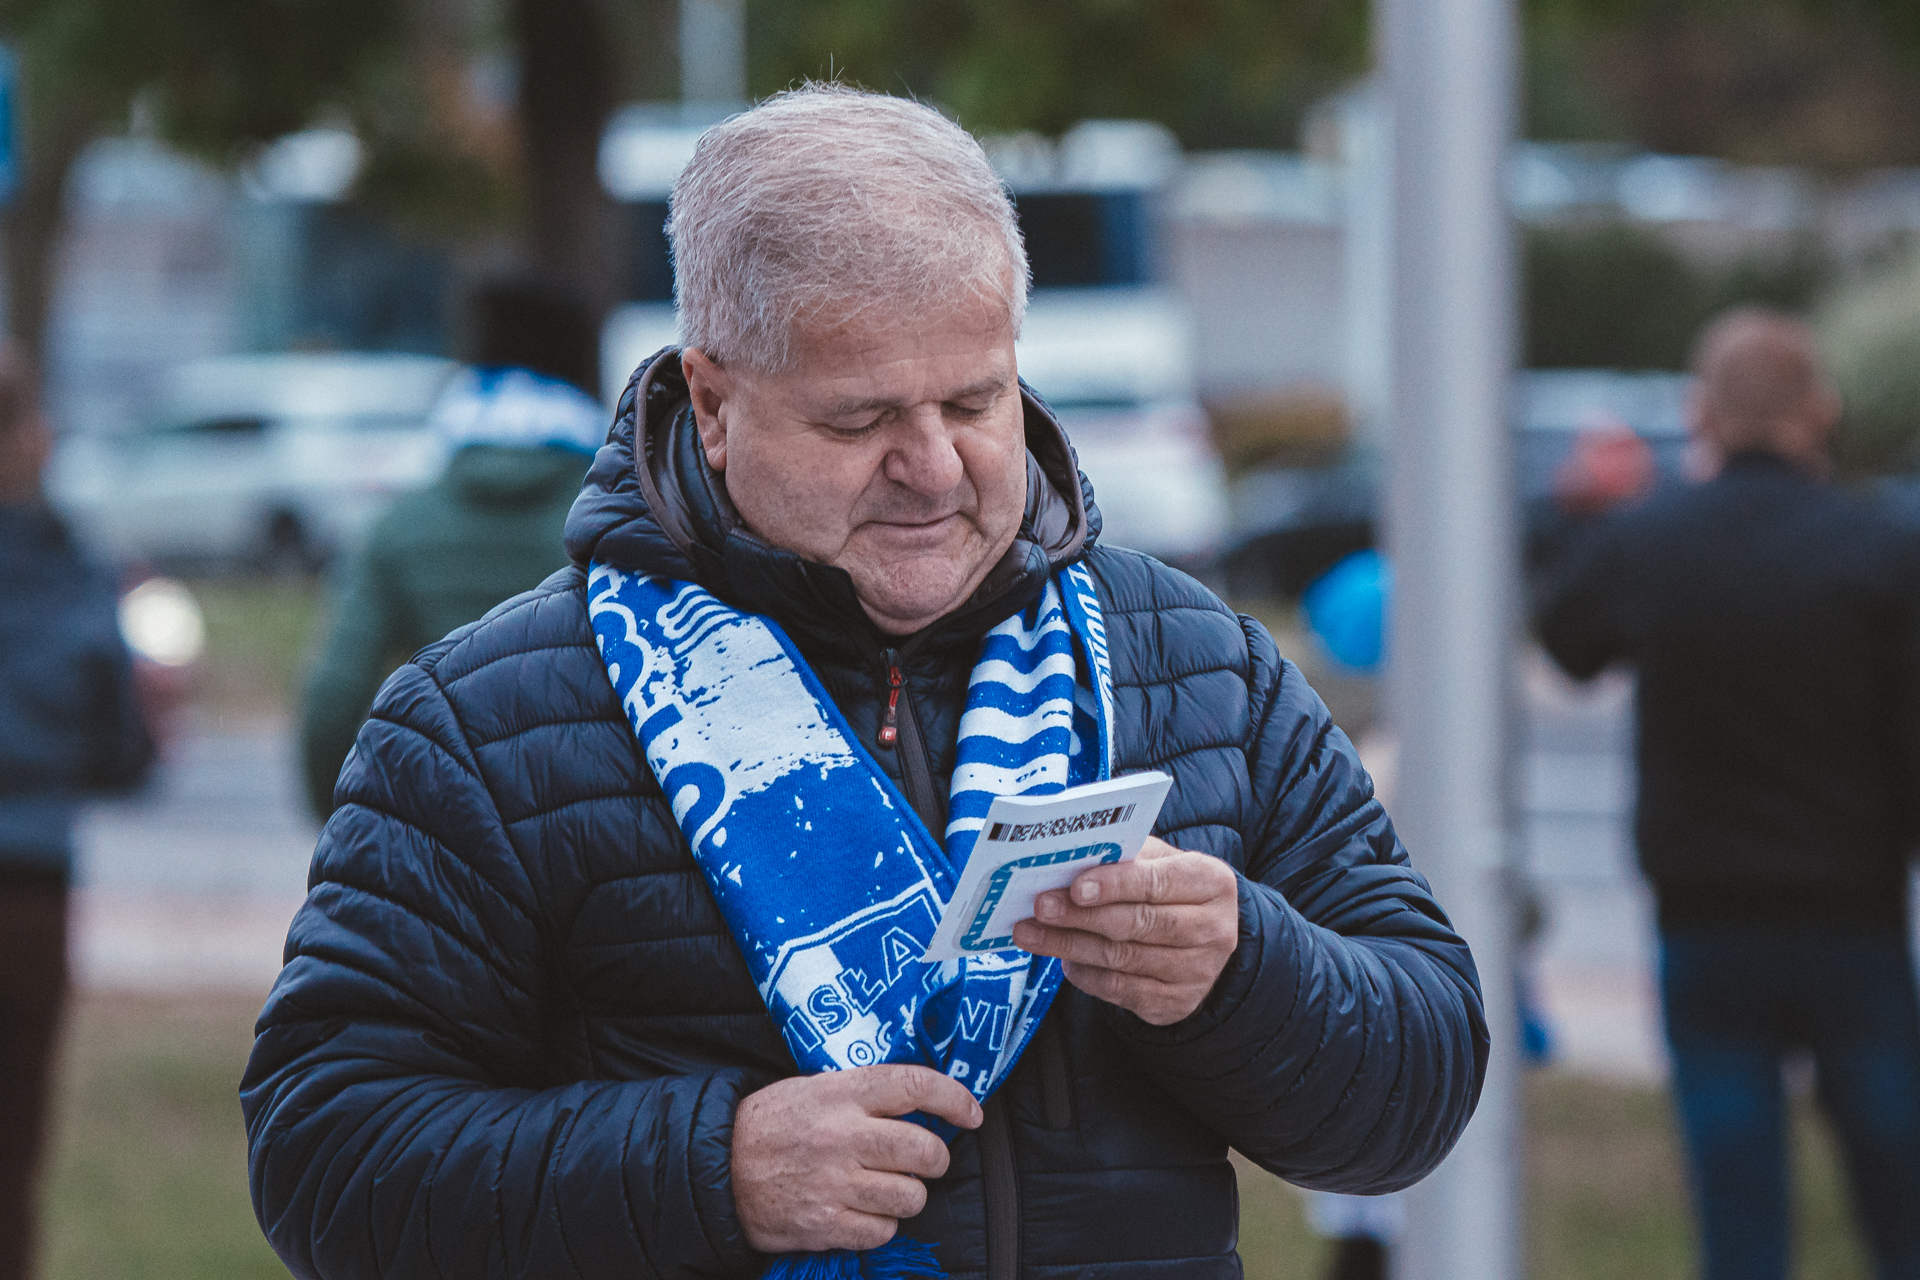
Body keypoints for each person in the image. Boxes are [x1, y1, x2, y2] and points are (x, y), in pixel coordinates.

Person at [242, 86, 1488, 1280]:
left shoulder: (1199, 662)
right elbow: (325, 1159)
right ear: (712, 401)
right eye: (860, 420)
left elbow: (1423, 1085)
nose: (934, 467)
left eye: (978, 400)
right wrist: (711, 1168)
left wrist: (1243, 971)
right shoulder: (483, 721)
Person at [1535, 307, 1920, 1280]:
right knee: (1898, 1192)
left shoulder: (1655, 540)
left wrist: (1578, 510)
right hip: (1854, 912)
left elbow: (1568, 638)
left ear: (1700, 412)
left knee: (1738, 1208)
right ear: (1821, 409)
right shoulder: (1882, 550)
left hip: (1704, 916)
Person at [298, 276, 607, 818]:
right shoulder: (622, 525)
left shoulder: (400, 527)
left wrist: (342, 826)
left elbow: (332, 704)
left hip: (444, 824)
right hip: (593, 828)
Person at [0, 348, 155, 1278]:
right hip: (30, 886)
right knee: (13, 1152)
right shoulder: (71, 572)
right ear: (31, 439)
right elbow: (121, 748)